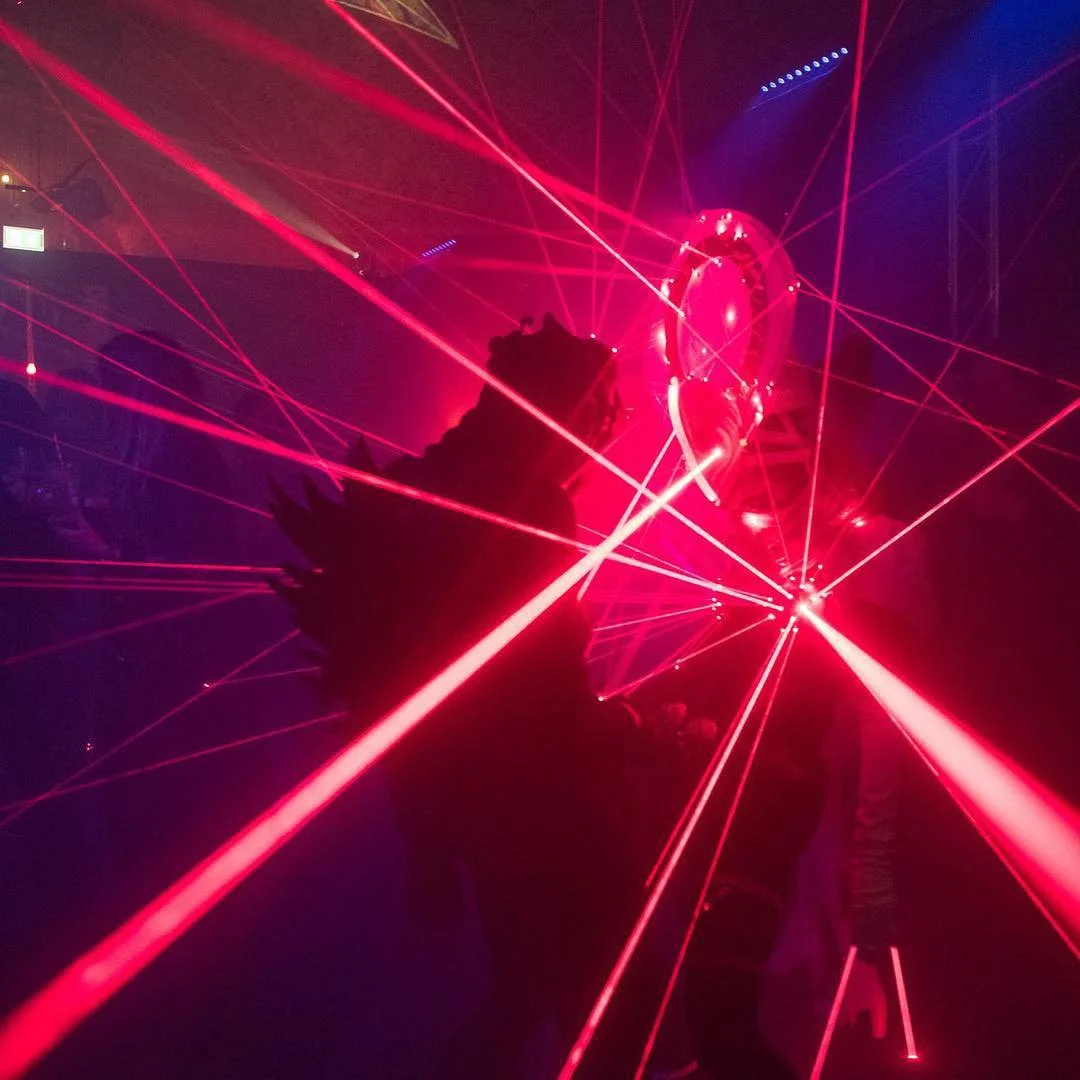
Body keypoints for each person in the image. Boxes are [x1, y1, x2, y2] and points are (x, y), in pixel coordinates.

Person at [272, 316, 638, 1077]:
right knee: (601, 991)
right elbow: (537, 684)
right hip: (534, 798)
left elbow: (394, 673)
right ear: (560, 406)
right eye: (598, 407)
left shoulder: (426, 485)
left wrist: (427, 841)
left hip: (462, 799)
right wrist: (620, 737)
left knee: (535, 989)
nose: (607, 426)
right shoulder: (529, 502)